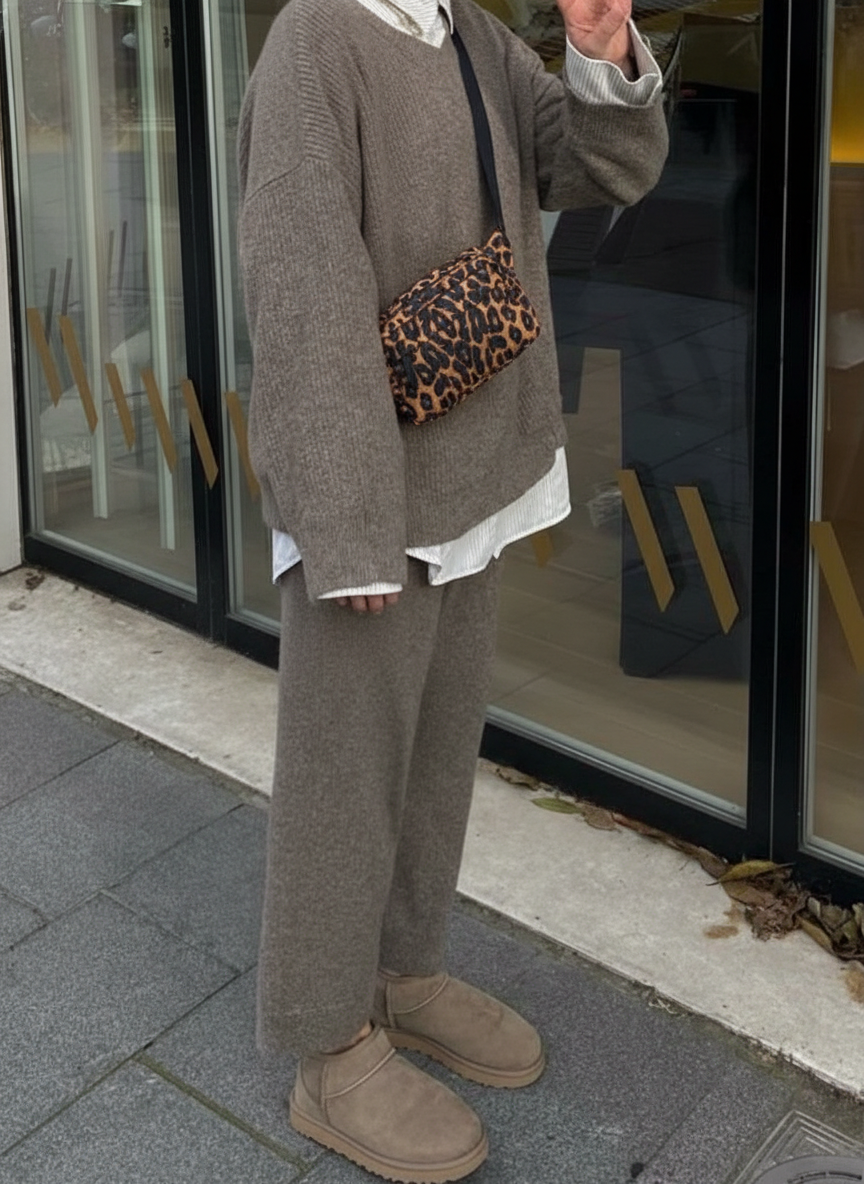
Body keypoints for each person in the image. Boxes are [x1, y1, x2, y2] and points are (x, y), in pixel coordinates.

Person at [237, 0, 667, 1177]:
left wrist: (601, 56)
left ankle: (404, 969)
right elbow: (303, 299)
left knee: (435, 756)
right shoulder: (315, 46)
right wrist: (347, 532)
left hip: (476, 472)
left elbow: (599, 169)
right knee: (344, 778)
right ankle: (328, 1043)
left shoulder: (470, 32)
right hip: (373, 499)